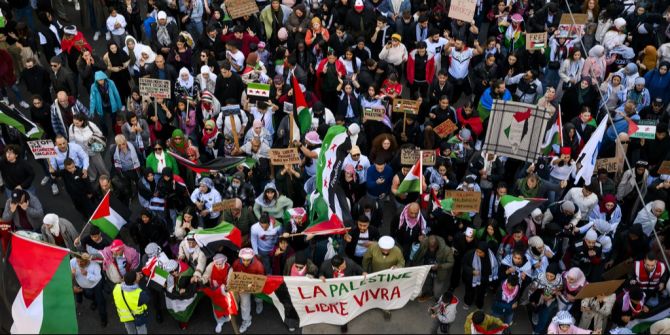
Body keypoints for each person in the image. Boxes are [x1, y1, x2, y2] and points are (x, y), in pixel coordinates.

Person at [362, 236, 404, 320]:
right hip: (375, 273)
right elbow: (366, 260)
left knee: (387, 292)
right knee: (375, 290)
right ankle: (374, 304)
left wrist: (398, 267)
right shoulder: (373, 248)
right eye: (383, 249)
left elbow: (401, 262)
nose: (385, 251)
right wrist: (364, 271)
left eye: (387, 249)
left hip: (389, 276)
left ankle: (386, 308)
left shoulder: (397, 251)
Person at [233, 248, 266, 333]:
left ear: (252, 258)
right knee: (244, 304)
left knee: (258, 296)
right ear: (240, 258)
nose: (246, 262)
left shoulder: (259, 265)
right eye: (244, 260)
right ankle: (246, 320)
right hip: (243, 286)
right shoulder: (236, 263)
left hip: (255, 285)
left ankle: (259, 302)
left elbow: (261, 279)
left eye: (248, 260)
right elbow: (234, 275)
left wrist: (253, 284)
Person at [71, 253, 107, 327]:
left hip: (96, 285)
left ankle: (104, 319)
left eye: (81, 262)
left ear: (87, 260)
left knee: (100, 302)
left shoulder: (95, 265)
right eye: (77, 261)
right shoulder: (73, 262)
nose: (79, 263)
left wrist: (87, 274)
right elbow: (67, 275)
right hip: (84, 286)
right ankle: (95, 301)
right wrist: (72, 276)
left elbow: (98, 278)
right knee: (88, 295)